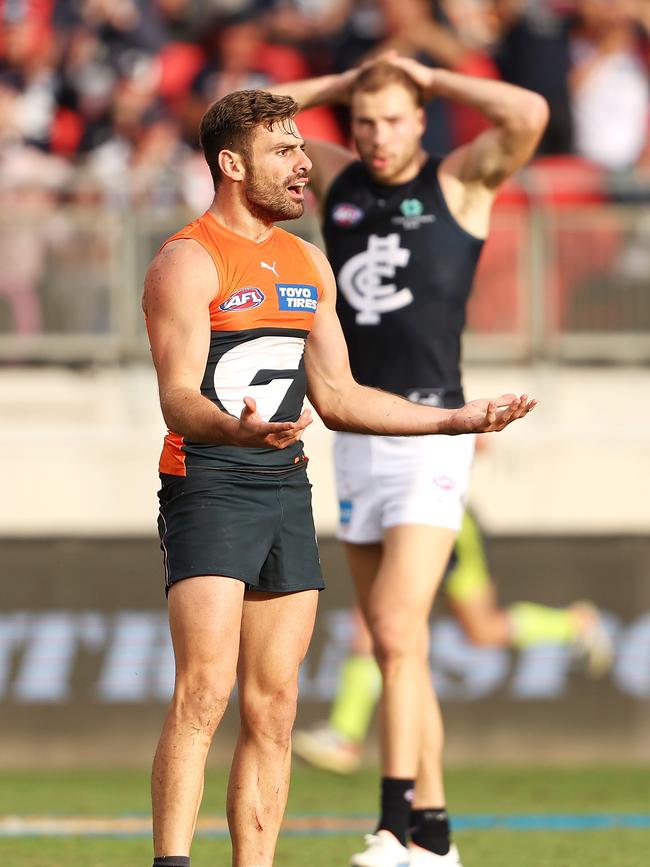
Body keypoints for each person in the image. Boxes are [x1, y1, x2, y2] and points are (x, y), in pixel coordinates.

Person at [141, 88, 536, 867]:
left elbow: (342, 396)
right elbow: (178, 396)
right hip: (210, 479)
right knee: (205, 692)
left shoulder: (308, 262)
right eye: (283, 150)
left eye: (300, 147)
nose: (302, 164)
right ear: (230, 163)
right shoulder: (186, 259)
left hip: (286, 484)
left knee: (276, 704)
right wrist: (235, 426)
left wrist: (454, 419)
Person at [269, 55, 548, 866]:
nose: (377, 136)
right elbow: (244, 120)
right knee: (404, 648)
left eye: (393, 119)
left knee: (391, 628)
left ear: (421, 120)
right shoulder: (336, 180)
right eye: (364, 121)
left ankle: (394, 826)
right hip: (355, 434)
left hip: (433, 433)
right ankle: (436, 838)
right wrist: (348, 80)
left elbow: (527, 112)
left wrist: (425, 73)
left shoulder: (460, 182)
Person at [293, 510, 614, 775]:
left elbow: (480, 437)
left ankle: (345, 736)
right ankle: (345, 735)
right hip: (400, 516)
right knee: (381, 619)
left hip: (438, 515)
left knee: (474, 629)